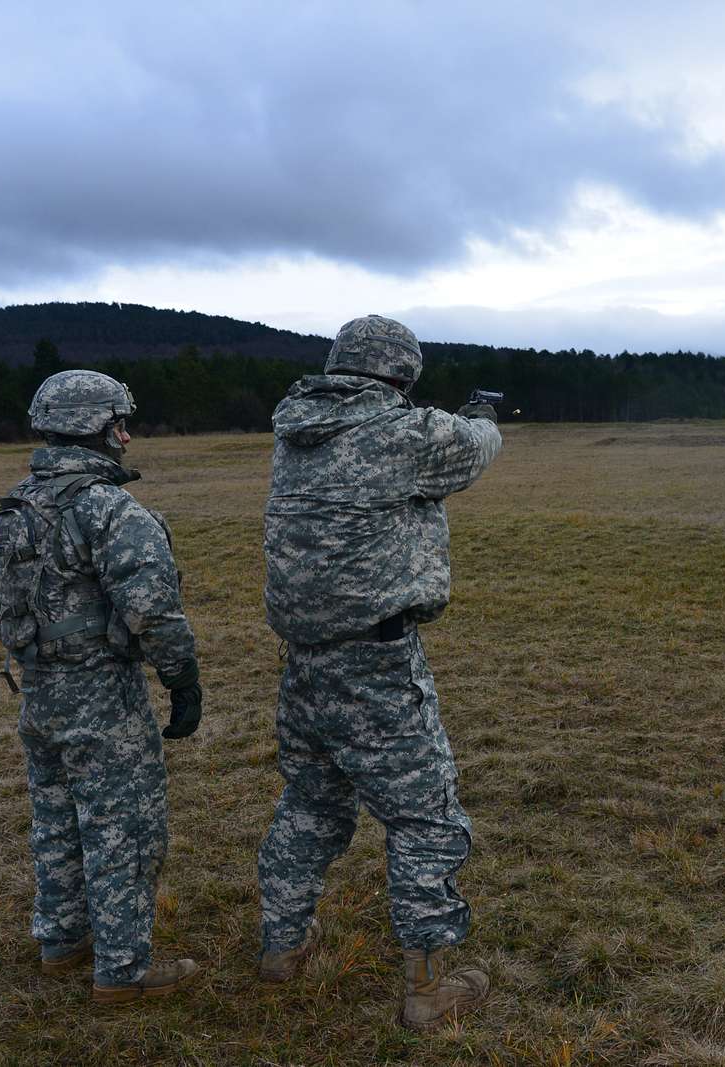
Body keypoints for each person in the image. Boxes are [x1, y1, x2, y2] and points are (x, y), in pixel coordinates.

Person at [256, 315, 502, 1031]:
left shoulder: (296, 432)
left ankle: (282, 945)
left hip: (305, 659)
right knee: (426, 816)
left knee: (312, 802)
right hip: (374, 660)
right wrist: (482, 413)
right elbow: (474, 449)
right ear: (401, 376)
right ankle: (428, 985)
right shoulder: (399, 434)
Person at [0, 369, 204, 1005]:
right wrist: (182, 680)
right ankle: (123, 971)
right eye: (120, 423)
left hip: (39, 694)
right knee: (123, 829)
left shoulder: (18, 505)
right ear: (98, 428)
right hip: (103, 697)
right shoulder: (107, 508)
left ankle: (61, 942)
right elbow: (153, 610)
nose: (127, 436)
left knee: (57, 820)